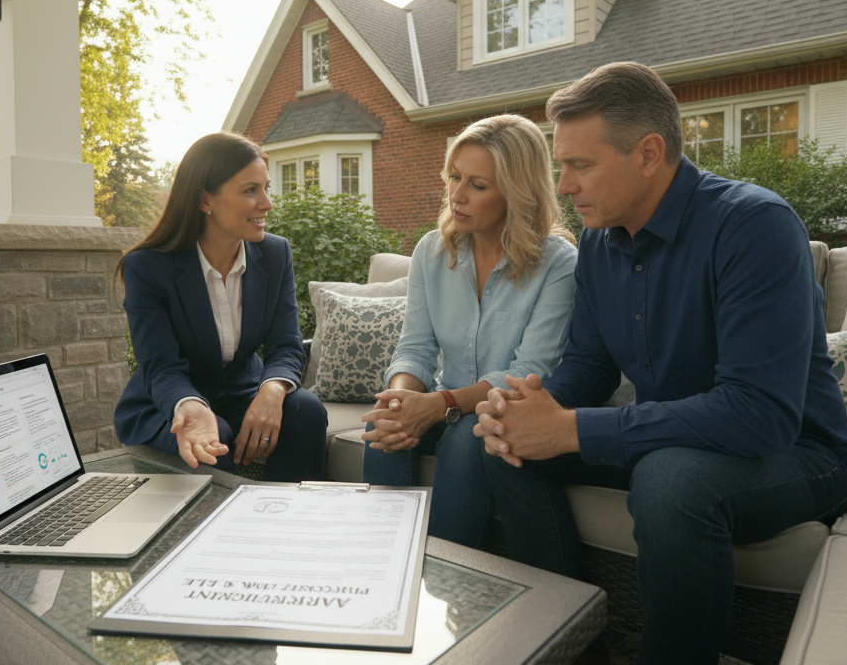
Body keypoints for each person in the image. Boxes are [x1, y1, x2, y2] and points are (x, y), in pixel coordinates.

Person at [473, 63, 847, 665]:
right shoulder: (601, 243)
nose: (565, 186)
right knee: (509, 451)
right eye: (561, 166)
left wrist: (573, 428)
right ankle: (575, 648)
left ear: (649, 153)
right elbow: (589, 367)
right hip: (671, 441)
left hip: (796, 455)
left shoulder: (753, 226)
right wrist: (527, 409)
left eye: (580, 165)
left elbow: (759, 415)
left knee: (671, 480)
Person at [361, 114, 577, 547]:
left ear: (516, 194)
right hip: (443, 402)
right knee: (381, 427)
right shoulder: (432, 251)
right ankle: (381, 562)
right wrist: (402, 396)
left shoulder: (559, 264)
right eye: (454, 177)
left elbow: (527, 371)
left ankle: (446, 575)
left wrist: (438, 403)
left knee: (464, 438)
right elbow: (416, 347)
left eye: (477, 185)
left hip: (499, 411)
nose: (456, 196)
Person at [114, 132, 327, 482]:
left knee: (305, 410)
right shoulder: (147, 266)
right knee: (215, 443)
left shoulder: (275, 255)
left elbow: (286, 345)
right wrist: (193, 406)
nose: (267, 204)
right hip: (172, 403)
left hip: (243, 391)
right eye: (250, 190)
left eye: (266, 188)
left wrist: (272, 391)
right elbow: (161, 367)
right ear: (204, 200)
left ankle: (289, 523)